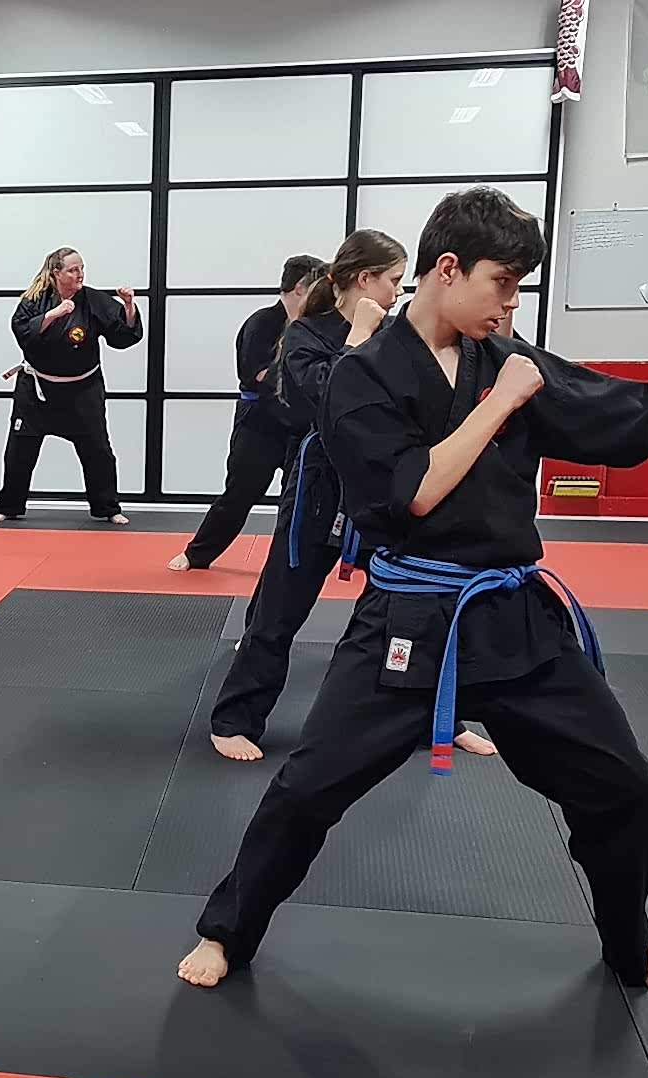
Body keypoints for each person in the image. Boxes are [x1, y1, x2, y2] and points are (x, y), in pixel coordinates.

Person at [178, 187, 648, 1006]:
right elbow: (415, 490)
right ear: (447, 269)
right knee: (307, 790)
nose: (512, 302)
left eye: (520, 286)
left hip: (516, 619)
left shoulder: (505, 357)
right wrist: (505, 401)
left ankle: (631, 946)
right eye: (503, 283)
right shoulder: (362, 376)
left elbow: (632, 410)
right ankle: (227, 929)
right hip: (406, 624)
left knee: (626, 791)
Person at [204, 230, 498, 766]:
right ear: (364, 279)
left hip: (384, 493)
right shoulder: (307, 334)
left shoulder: (399, 334)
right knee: (279, 610)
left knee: (412, 608)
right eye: (392, 280)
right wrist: (359, 336)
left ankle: (433, 719)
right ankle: (234, 719)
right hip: (320, 494)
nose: (398, 291)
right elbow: (325, 402)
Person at [167, 254, 326, 571]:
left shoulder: (315, 327)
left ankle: (288, 565)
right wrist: (294, 368)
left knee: (298, 501)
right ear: (300, 287)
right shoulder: (262, 322)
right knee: (239, 494)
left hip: (300, 425)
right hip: (259, 423)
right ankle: (197, 553)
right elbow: (255, 374)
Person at [0, 248, 142, 524]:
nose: (80, 274)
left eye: (81, 268)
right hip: (38, 390)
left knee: (98, 451)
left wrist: (129, 306)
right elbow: (23, 333)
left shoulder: (93, 300)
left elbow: (122, 335)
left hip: (82, 391)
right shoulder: (34, 300)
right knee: (19, 451)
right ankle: (9, 506)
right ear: (56, 273)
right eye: (73, 270)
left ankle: (108, 508)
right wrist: (54, 314)